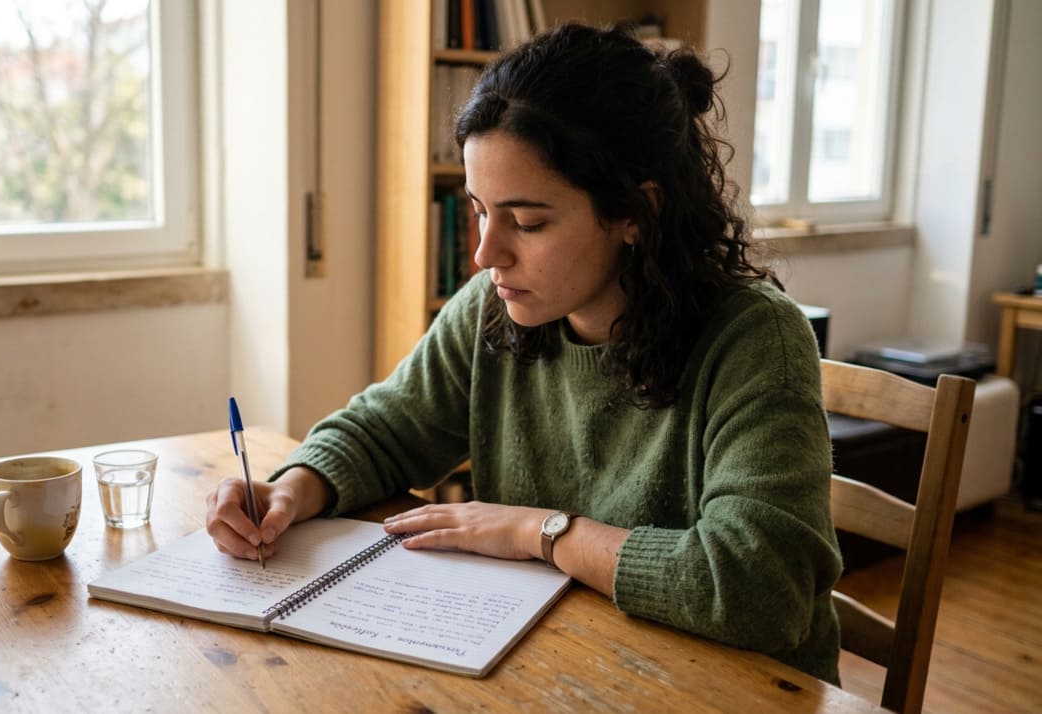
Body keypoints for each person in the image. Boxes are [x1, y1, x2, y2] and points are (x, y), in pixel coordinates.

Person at [206, 23, 842, 684]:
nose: (486, 254)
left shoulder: (755, 340)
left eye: (528, 222)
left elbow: (759, 591)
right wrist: (290, 490)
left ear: (636, 212)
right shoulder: (495, 305)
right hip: (571, 666)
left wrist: (537, 533)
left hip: (731, 691)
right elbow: (383, 430)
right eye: (479, 210)